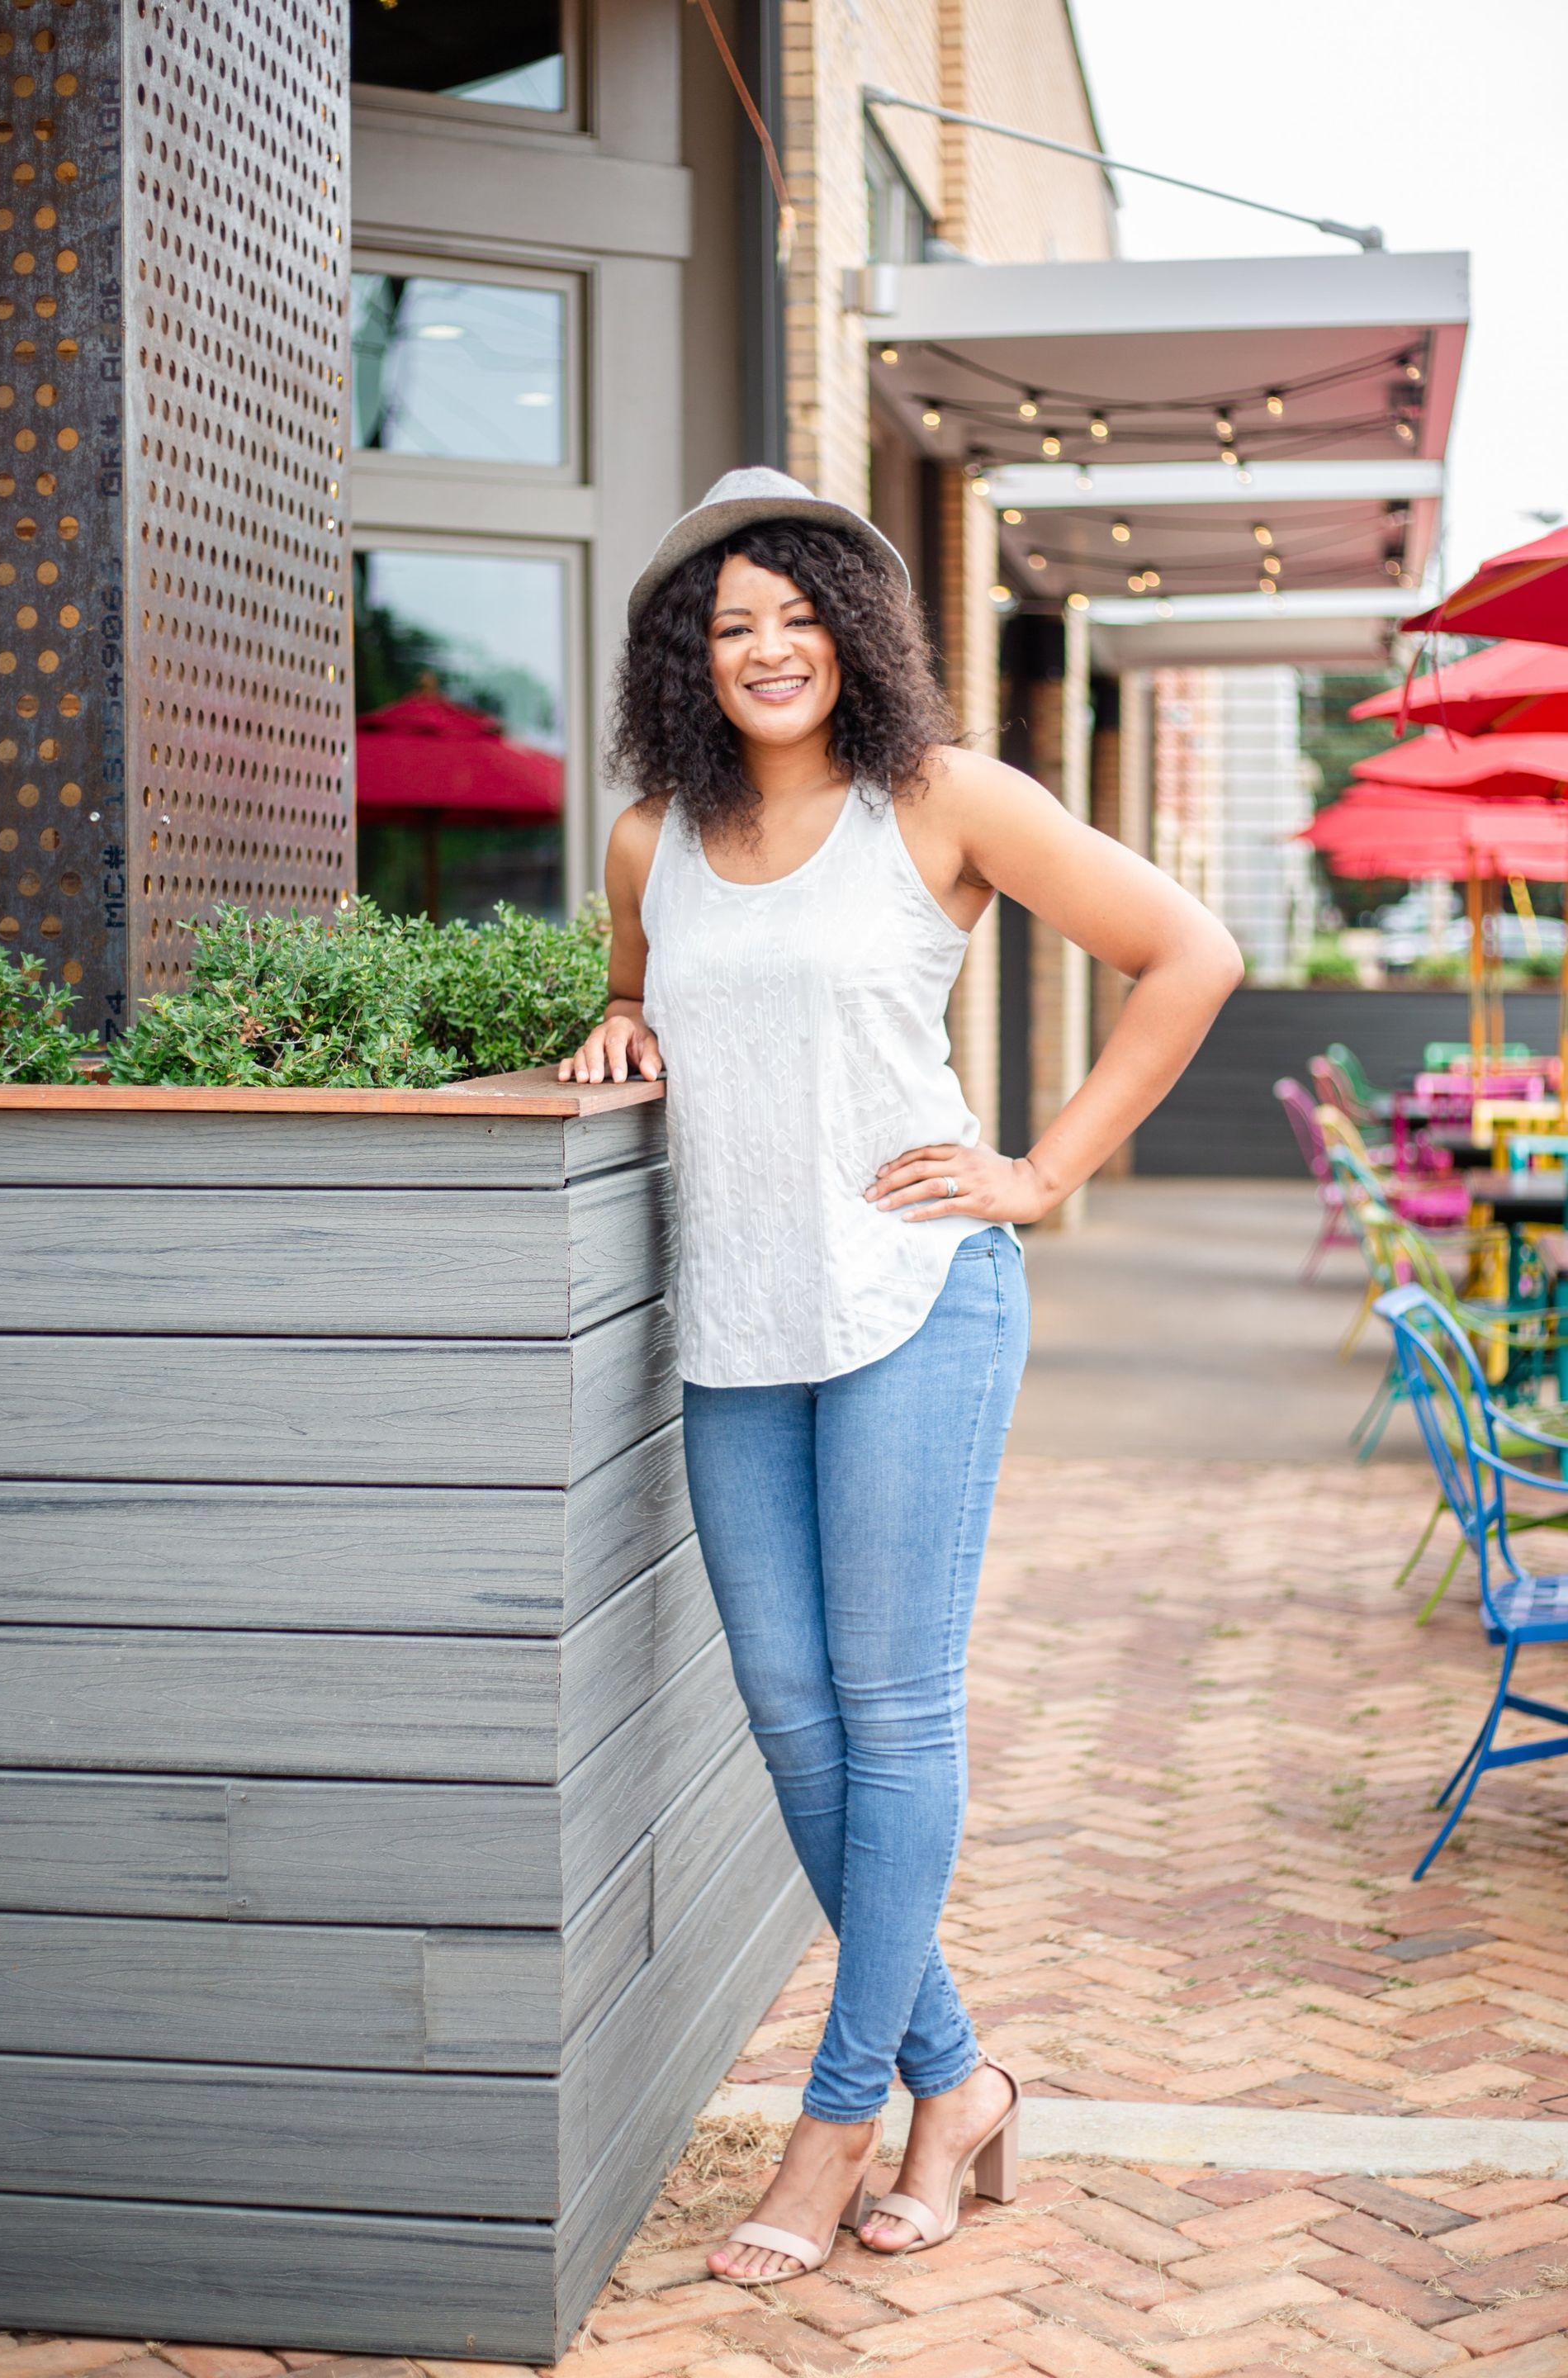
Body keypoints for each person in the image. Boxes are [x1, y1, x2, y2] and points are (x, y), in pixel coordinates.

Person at [559, 467, 1243, 2281]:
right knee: (791, 1726)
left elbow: (1192, 954)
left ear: (852, 629)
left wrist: (1043, 1171)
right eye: (728, 627)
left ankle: (841, 2112)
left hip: (917, 1305)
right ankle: (962, 2083)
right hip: (736, 1326)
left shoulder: (943, 800)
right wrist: (621, 1017)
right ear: (682, 662)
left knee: (892, 1716)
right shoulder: (652, 841)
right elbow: (635, 996)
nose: (766, 649)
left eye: (795, 615)